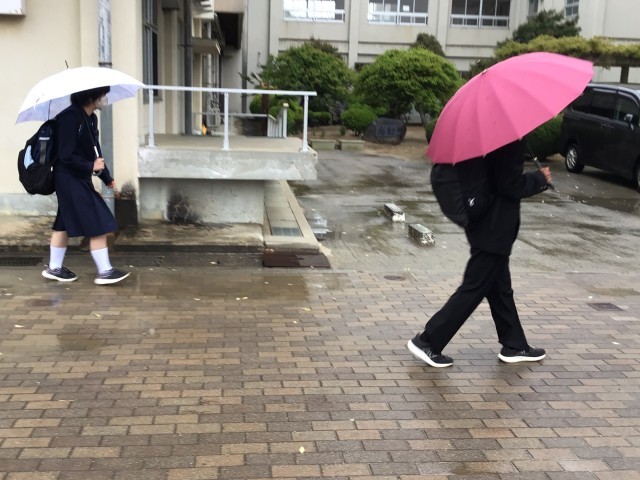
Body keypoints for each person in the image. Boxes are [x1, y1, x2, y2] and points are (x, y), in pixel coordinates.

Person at [408, 139, 552, 367]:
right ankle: (428, 341)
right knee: (473, 288)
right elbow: (508, 184)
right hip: (495, 228)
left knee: (500, 288)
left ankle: (514, 345)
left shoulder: (490, 138)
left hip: (484, 223)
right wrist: (539, 179)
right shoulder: (508, 141)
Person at [41, 86, 130, 285]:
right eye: (103, 94)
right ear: (91, 97)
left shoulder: (90, 118)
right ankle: (105, 271)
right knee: (98, 220)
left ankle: (54, 268)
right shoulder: (69, 118)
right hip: (68, 179)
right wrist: (90, 166)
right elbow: (65, 155)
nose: (105, 99)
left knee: (63, 222)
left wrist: (107, 177)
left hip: (79, 178)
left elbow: (95, 153)